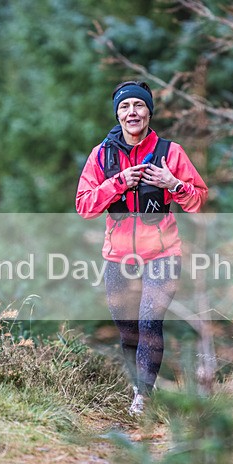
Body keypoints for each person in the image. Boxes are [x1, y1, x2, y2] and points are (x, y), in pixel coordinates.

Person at [76, 80, 208, 415]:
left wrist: (173, 183)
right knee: (128, 329)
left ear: (149, 111)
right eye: (125, 106)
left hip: (162, 254)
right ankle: (139, 385)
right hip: (118, 258)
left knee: (150, 322)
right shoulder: (101, 155)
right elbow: (85, 206)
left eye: (138, 105)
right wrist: (118, 182)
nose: (132, 112)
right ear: (117, 114)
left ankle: (143, 399)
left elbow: (197, 202)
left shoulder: (170, 152)